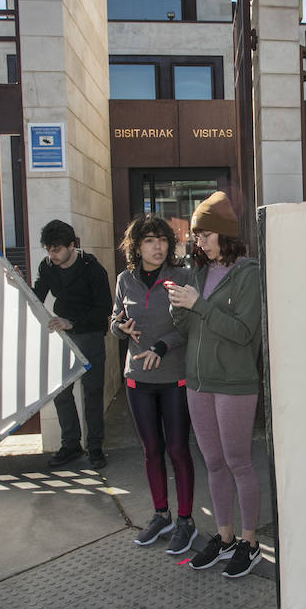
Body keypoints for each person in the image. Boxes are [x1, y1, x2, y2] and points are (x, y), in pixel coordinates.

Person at [167, 192, 265, 578]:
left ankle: (250, 542)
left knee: (238, 462)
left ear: (225, 234)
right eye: (195, 235)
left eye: (205, 234)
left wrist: (200, 306)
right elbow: (192, 329)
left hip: (235, 383)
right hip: (198, 382)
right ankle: (224, 538)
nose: (198, 241)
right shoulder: (198, 274)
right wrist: (179, 309)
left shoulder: (249, 273)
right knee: (213, 462)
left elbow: (243, 333)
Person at [111, 214, 197, 555]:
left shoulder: (181, 277)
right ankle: (162, 515)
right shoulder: (124, 280)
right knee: (150, 451)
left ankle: (187, 521)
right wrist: (122, 329)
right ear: (137, 246)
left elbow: (190, 326)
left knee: (177, 449)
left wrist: (162, 345)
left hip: (173, 377)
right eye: (149, 240)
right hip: (137, 379)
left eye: (162, 239)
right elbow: (115, 319)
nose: (158, 246)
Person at [34, 220, 113, 470]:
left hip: (89, 333)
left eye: (56, 249)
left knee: (92, 392)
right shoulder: (47, 267)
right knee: (61, 392)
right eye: (48, 249)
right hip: (63, 335)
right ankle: (70, 444)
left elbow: (104, 309)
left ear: (72, 245)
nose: (52, 255)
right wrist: (16, 285)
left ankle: (95, 447)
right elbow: (36, 297)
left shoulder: (93, 269)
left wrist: (73, 322)